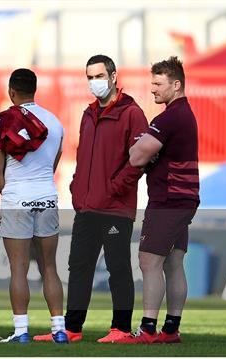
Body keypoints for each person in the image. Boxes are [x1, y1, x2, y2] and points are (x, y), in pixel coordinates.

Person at [35, 55, 148, 343]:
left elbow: (139, 161)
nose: (94, 82)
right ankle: (72, 329)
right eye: (90, 77)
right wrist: (76, 189)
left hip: (114, 208)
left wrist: (113, 189)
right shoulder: (87, 114)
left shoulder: (131, 113)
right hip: (86, 207)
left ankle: (121, 329)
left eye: (99, 76)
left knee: (118, 267)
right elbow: (84, 156)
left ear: (113, 76)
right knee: (79, 266)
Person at [115, 56, 200, 344]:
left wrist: (140, 145)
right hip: (183, 199)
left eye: (158, 84)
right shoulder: (185, 114)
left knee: (149, 261)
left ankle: (148, 330)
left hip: (168, 200)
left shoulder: (169, 117)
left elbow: (136, 156)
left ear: (176, 85)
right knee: (173, 264)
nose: (152, 89)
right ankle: (171, 330)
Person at [0, 69, 66, 344]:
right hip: (47, 197)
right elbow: (52, 167)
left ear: (11, 92)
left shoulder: (2, 124)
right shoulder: (56, 123)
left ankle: (21, 331)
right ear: (35, 90)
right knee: (50, 268)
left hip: (16, 200)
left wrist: (11, 195)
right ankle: (59, 329)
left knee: (19, 269)